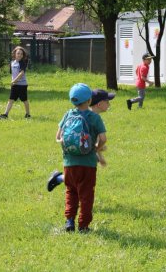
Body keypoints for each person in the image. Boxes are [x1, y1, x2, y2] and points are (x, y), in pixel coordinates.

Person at [54, 83, 109, 233]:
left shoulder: (68, 115)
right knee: (86, 194)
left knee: (71, 191)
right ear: (89, 100)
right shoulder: (94, 117)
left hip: (69, 163)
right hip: (88, 164)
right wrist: (96, 148)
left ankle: (69, 221)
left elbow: (58, 137)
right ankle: (83, 226)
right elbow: (103, 138)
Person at [48, 88, 114, 193]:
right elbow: (97, 144)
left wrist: (99, 152)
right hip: (81, 155)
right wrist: (100, 156)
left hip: (72, 153)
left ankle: (62, 182)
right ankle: (58, 178)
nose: (109, 104)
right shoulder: (93, 119)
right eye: (107, 102)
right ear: (99, 104)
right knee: (78, 179)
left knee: (75, 177)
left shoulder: (81, 115)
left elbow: (94, 144)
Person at [0, 46, 31, 119]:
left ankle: (28, 114)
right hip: (14, 85)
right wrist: (13, 81)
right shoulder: (12, 62)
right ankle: (5, 115)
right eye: (18, 53)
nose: (19, 55)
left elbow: (21, 73)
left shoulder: (22, 63)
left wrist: (14, 80)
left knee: (24, 100)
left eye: (21, 54)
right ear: (15, 54)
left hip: (22, 85)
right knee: (11, 99)